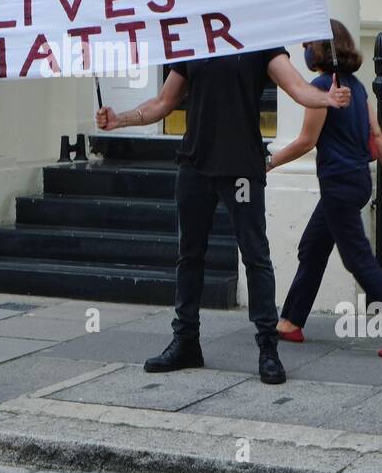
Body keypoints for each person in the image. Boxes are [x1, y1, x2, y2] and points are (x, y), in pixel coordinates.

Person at [96, 45, 350, 385]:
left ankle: (267, 348)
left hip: (241, 168)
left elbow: (296, 87)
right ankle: (186, 341)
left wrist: (326, 99)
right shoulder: (194, 40)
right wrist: (120, 119)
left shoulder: (260, 40)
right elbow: (162, 102)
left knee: (255, 256)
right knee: (189, 256)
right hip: (195, 165)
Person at [268, 20, 382, 358]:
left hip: (338, 185)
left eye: (309, 44)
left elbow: (306, 141)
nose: (305, 51)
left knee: (358, 260)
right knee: (312, 247)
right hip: (356, 182)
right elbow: (377, 135)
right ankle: (291, 322)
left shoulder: (323, 88)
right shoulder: (355, 87)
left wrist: (268, 163)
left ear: (324, 49)